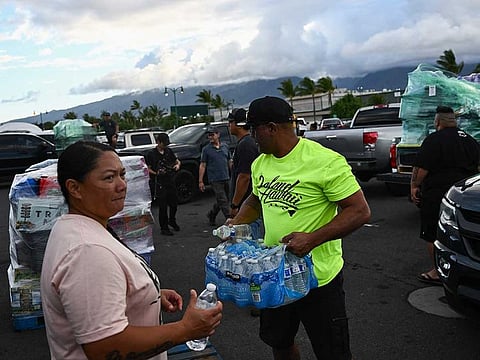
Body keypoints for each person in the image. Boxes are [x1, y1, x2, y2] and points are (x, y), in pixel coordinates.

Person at [40, 141, 222, 360]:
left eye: (122, 175)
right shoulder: (87, 252)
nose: (122, 185)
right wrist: (186, 330)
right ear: (74, 188)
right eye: (109, 177)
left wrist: (145, 296)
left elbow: (97, 294)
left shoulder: (76, 227)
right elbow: (105, 347)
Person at [227, 96, 371, 360]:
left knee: (333, 352)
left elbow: (359, 211)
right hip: (274, 275)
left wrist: (312, 239)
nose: (251, 136)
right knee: (279, 341)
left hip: (319, 280)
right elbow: (257, 199)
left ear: (271, 127)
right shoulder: (262, 162)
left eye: (254, 129)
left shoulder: (325, 161)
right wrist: (234, 224)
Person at [411, 105, 480, 285]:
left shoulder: (433, 140)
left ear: (438, 122)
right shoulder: (470, 140)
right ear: (454, 121)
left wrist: (414, 186)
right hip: (464, 196)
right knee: (460, 233)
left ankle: (437, 271)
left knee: (434, 233)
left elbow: (421, 169)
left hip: (437, 194)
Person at [227, 107, 262, 240]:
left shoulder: (246, 144)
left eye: (230, 122)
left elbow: (244, 177)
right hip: (247, 205)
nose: (228, 125)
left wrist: (235, 205)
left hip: (246, 206)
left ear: (238, 124)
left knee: (248, 244)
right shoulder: (245, 143)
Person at [145, 133, 181, 236]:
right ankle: (164, 228)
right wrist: (157, 173)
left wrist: (177, 165)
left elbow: (177, 161)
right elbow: (147, 168)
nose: (165, 146)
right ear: (158, 142)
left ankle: (172, 220)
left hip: (170, 180)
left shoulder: (169, 151)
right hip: (159, 183)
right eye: (163, 143)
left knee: (174, 203)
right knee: (163, 206)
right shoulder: (151, 154)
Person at [199, 127, 232, 226]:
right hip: (215, 179)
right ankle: (230, 220)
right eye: (209, 135)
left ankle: (212, 214)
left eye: (212, 134)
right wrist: (200, 181)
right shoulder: (206, 150)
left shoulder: (225, 146)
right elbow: (203, 165)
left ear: (218, 135)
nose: (210, 137)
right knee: (223, 200)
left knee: (223, 199)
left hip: (226, 177)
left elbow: (229, 161)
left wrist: (234, 172)